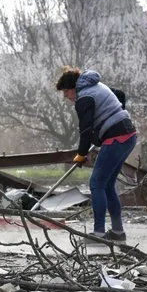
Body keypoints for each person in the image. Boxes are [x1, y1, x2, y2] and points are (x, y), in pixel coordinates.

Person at [56, 66, 137, 242]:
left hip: (117, 139)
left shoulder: (84, 98)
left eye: (66, 92)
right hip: (128, 135)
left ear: (73, 88)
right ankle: (117, 232)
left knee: (96, 184)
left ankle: (98, 234)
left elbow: (85, 130)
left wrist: (81, 154)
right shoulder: (97, 86)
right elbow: (120, 95)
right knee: (106, 185)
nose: (65, 97)